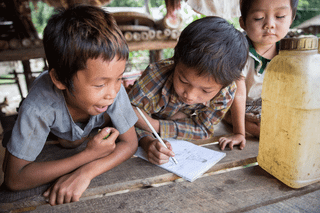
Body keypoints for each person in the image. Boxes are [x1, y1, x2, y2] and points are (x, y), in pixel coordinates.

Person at [2, 5, 138, 206]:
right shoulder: (39, 106)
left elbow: (130, 143)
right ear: (59, 79)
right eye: (100, 84)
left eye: (119, 78)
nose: (112, 93)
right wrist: (88, 155)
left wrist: (86, 172)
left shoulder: (110, 85)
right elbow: (15, 179)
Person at [128, 16, 248, 165]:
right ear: (175, 60)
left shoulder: (225, 91)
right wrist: (147, 141)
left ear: (223, 85)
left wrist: (157, 126)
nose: (189, 95)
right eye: (183, 81)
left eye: (205, 90)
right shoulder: (156, 77)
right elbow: (127, 115)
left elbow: (203, 128)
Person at [218, 0, 299, 148]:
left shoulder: (291, 54)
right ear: (243, 22)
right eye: (258, 18)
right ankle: (231, 119)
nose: (270, 24)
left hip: (266, 109)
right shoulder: (238, 51)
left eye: (280, 16)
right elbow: (239, 94)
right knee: (266, 132)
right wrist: (239, 133)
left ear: (291, 19)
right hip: (237, 106)